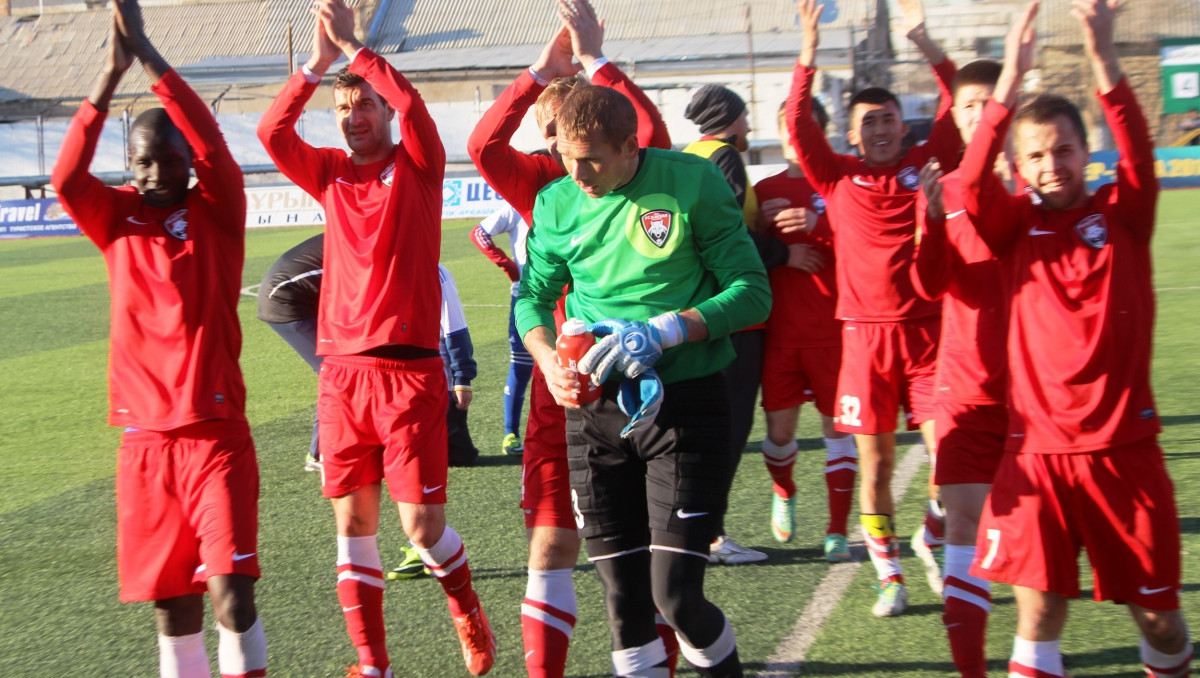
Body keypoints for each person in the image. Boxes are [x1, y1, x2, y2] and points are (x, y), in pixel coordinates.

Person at [256, 1, 494, 675]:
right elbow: (273, 133)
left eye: (365, 105)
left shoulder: (418, 165)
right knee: (353, 531)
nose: (355, 117)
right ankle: (373, 665)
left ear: (384, 111)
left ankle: (465, 605)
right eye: (344, 109)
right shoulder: (331, 173)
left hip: (410, 376)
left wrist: (358, 51)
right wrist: (316, 65)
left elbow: (416, 109)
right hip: (343, 379)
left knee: (422, 531)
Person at [958, 2, 1193, 676]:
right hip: (1036, 457)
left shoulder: (1125, 212)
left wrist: (1103, 52)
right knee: (1038, 614)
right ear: (1019, 165)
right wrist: (1008, 82)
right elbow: (971, 182)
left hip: (1125, 453)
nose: (1051, 164)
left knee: (1161, 622)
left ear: (1086, 152)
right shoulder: (1009, 228)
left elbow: (1138, 143)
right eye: (1035, 155)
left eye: (1064, 149)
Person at [515, 83, 771, 678]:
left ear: (631, 145)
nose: (574, 171)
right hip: (595, 415)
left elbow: (753, 294)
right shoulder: (556, 204)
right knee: (623, 604)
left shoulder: (693, 183)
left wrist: (665, 332)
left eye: (591, 158)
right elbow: (532, 296)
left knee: (674, 596)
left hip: (683, 408)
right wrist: (548, 357)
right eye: (564, 156)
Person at [50, 0, 268, 676]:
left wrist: (149, 57)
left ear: (187, 162)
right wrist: (107, 77)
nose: (154, 175)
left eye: (167, 161)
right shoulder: (115, 217)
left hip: (214, 436)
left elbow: (213, 142)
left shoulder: (218, 209)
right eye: (142, 163)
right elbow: (64, 179)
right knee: (173, 608)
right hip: (145, 444)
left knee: (231, 594)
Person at [466, 1, 676, 675]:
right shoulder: (536, 182)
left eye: (575, 121)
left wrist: (594, 63)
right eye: (550, 126)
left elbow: (656, 133)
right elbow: (480, 148)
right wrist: (536, 73)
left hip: (635, 383)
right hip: (561, 387)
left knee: (642, 556)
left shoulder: (634, 175)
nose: (561, 137)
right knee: (550, 547)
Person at [788, 0, 962, 617]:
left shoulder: (927, 163)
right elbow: (797, 121)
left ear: (901, 125)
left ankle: (931, 536)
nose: (880, 130)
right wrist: (808, 47)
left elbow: (956, 101)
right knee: (878, 461)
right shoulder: (836, 177)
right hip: (863, 340)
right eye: (868, 123)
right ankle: (890, 575)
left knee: (952, 457)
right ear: (853, 134)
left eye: (888, 119)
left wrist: (924, 42)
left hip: (930, 336)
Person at [909, 58, 1009, 677]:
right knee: (969, 530)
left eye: (989, 104)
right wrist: (933, 216)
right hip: (968, 390)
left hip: (1041, 399)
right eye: (967, 106)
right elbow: (928, 281)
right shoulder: (943, 190)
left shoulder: (1038, 185)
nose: (977, 115)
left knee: (1028, 555)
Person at [256, 234, 482, 471]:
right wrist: (461, 377)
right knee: (335, 370)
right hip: (286, 298)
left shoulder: (384, 246)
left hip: (309, 294)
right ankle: (322, 453)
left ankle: (360, 445)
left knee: (350, 366)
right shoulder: (384, 252)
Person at [755, 99, 858, 562]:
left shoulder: (842, 183)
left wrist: (825, 223)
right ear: (780, 134)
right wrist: (768, 236)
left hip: (836, 333)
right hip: (782, 334)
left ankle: (837, 529)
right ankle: (785, 487)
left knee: (839, 431)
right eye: (790, 129)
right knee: (779, 435)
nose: (797, 138)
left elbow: (869, 239)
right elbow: (745, 250)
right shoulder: (765, 189)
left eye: (806, 128)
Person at [469, 202, 534, 456]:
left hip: (564, 296)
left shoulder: (563, 196)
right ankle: (511, 434)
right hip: (526, 297)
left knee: (567, 363)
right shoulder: (515, 206)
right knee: (521, 364)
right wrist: (507, 264)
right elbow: (478, 232)